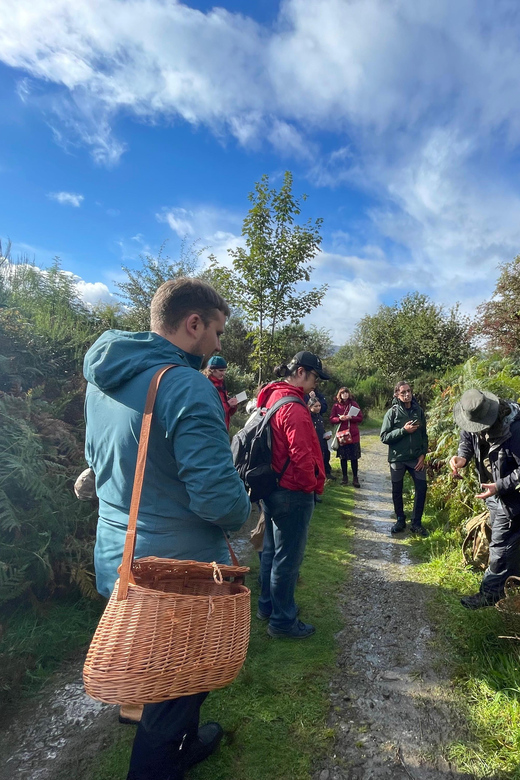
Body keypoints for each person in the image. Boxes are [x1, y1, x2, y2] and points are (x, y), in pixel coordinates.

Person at [83, 277, 251, 780]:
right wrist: (244, 505)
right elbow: (219, 500)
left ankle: (175, 737)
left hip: (118, 549)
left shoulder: (103, 377)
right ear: (192, 323)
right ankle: (159, 764)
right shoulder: (186, 384)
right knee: (181, 676)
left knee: (151, 664)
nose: (220, 344)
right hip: (174, 569)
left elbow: (98, 459)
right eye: (217, 331)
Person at [256, 351, 329, 639]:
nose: (315, 386)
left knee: (271, 553)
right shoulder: (295, 408)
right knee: (288, 559)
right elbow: (301, 455)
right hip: (292, 492)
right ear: (300, 372)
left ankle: (267, 606)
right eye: (314, 378)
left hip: (271, 486)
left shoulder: (271, 395)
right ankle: (283, 621)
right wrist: (311, 486)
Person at [449, 388, 520, 609]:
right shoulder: (475, 416)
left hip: (512, 497)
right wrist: (462, 457)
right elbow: (468, 437)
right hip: (494, 494)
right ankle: (511, 582)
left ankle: (490, 594)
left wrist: (499, 486)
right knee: (508, 542)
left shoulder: (515, 430)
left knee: (500, 546)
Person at [380, 381, 429, 537]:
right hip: (397, 459)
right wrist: (403, 431)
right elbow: (384, 437)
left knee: (422, 488)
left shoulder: (418, 411)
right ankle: (400, 520)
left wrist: (423, 454)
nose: (407, 395)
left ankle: (416, 523)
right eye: (403, 393)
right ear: (397, 395)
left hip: (416, 458)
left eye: (409, 391)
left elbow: (424, 435)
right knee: (397, 490)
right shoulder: (392, 413)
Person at [330, 388, 363, 488]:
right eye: (343, 393)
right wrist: (339, 418)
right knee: (342, 457)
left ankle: (355, 478)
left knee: (354, 458)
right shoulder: (336, 406)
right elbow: (331, 419)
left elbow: (360, 418)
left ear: (349, 394)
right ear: (339, 395)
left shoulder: (353, 404)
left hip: (353, 435)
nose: (345, 394)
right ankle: (345, 478)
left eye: (346, 392)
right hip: (342, 435)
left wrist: (350, 418)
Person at [202, 355, 238, 430]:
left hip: (223, 428)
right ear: (211, 370)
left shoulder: (221, 384)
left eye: (224, 370)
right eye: (221, 370)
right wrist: (228, 404)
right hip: (212, 429)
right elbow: (211, 411)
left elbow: (227, 413)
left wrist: (233, 406)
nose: (223, 373)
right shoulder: (206, 385)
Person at [309, 397, 334, 486]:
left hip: (322, 442)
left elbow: (321, 429)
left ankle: (325, 475)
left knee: (325, 457)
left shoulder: (319, 417)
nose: (318, 408)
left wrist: (326, 435)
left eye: (319, 406)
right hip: (313, 444)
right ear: (310, 406)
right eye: (316, 406)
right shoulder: (308, 417)